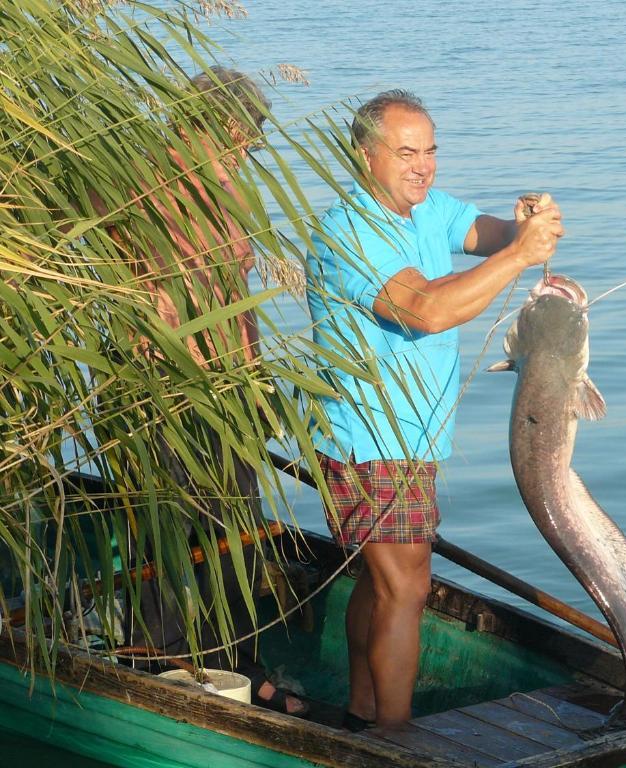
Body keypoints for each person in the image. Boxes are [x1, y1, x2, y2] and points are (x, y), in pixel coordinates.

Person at [305, 89, 563, 730]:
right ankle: (394, 737)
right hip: (371, 436)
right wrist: (517, 257)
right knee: (407, 587)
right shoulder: (348, 231)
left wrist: (527, 227)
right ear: (365, 157)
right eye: (406, 152)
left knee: (379, 581)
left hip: (416, 439)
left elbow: (488, 234)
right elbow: (424, 308)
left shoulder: (428, 211)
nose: (422, 165)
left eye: (430, 152)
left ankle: (364, 710)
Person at [115, 66, 307, 717]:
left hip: (230, 391)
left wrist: (256, 384)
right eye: (241, 135)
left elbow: (236, 304)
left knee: (237, 533)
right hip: (170, 390)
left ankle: (232, 662)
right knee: (176, 533)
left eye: (249, 139)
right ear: (208, 123)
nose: (247, 149)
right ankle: (156, 659)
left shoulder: (225, 189)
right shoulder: (146, 183)